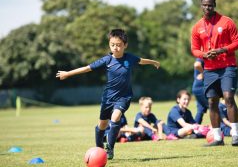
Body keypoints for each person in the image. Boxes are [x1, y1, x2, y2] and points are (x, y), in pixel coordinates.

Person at [56, 29, 160, 160]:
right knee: (102, 125)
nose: (115, 48)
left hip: (124, 97)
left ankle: (110, 148)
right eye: (112, 45)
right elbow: (87, 68)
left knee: (116, 117)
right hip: (108, 98)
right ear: (109, 44)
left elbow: (141, 60)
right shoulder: (107, 60)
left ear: (125, 45)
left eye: (118, 45)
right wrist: (67, 73)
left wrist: (153, 62)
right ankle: (99, 148)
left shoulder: (130, 58)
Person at [190, 0, 238, 146]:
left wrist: (221, 50)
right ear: (201, 6)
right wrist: (204, 55)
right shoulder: (197, 27)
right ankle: (218, 137)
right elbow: (194, 49)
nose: (208, 7)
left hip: (228, 66)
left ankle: (235, 134)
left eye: (210, 5)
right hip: (210, 69)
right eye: (205, 5)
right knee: (212, 101)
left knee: (228, 97)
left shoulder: (226, 22)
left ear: (215, 5)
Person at [192, 58, 208, 124]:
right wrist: (204, 73)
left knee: (200, 110)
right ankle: (222, 127)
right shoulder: (203, 55)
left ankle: (195, 128)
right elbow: (197, 64)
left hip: (197, 87)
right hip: (201, 87)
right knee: (215, 107)